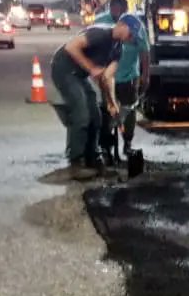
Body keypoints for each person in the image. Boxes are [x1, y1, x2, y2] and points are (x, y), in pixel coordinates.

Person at [50, 20, 137, 180]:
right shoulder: (100, 34)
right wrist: (91, 68)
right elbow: (71, 47)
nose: (131, 38)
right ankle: (76, 162)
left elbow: (107, 77)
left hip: (80, 75)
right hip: (64, 69)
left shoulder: (118, 49)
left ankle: (92, 158)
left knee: (96, 116)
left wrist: (112, 102)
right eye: (130, 34)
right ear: (122, 26)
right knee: (81, 112)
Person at [95, 0, 149, 164]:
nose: (116, 18)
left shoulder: (136, 26)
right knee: (107, 114)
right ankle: (106, 148)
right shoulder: (101, 22)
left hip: (128, 77)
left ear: (126, 10)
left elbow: (144, 52)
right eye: (113, 13)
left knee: (128, 111)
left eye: (120, 13)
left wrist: (145, 76)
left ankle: (127, 143)